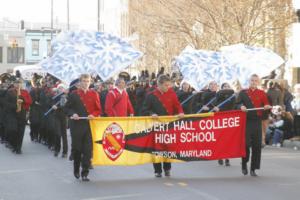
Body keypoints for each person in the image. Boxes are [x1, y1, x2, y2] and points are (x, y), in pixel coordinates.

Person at [142, 74, 184, 178]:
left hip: (168, 125)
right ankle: (157, 170)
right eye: (166, 85)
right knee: (156, 148)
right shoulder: (151, 95)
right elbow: (144, 110)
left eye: (169, 85)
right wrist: (151, 113)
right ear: (159, 85)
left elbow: (177, 105)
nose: (168, 87)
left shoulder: (172, 93)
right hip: (155, 126)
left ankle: (167, 168)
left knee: (167, 147)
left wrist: (180, 112)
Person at [66, 74, 102, 181]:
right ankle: (76, 168)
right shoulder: (74, 94)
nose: (86, 83)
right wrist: (73, 114)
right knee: (77, 149)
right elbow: (67, 108)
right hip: (76, 125)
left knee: (87, 150)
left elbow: (98, 109)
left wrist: (93, 115)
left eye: (88, 81)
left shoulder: (94, 93)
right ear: (80, 82)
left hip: (89, 125)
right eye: (84, 81)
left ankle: (85, 172)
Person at [237, 74, 272, 176]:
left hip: (257, 122)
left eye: (256, 81)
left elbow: (266, 105)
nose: (253, 82)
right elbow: (237, 104)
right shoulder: (243, 93)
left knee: (257, 146)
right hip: (247, 121)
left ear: (258, 82)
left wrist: (266, 106)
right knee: (246, 144)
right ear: (249, 81)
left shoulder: (262, 93)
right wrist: (241, 106)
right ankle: (244, 162)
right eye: (252, 80)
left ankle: (253, 168)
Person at [4, 79, 32, 154]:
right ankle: (13, 144)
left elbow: (30, 101)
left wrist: (24, 100)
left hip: (22, 113)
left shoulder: (25, 92)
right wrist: (14, 106)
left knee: (21, 131)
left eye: (20, 83)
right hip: (12, 114)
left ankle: (18, 148)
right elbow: (6, 103)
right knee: (13, 130)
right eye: (17, 83)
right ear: (14, 84)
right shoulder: (10, 92)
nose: (18, 84)